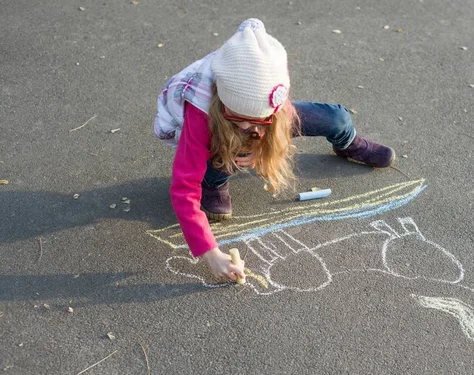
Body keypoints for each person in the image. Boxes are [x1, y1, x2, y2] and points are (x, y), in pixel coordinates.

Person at [154, 18, 395, 282]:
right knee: (227, 147)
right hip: (213, 126)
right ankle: (214, 181)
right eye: (238, 117)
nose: (246, 125)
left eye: (256, 121)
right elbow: (184, 188)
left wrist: (263, 148)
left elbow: (271, 126)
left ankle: (348, 143)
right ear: (224, 101)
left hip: (250, 114)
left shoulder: (270, 87)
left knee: (337, 119)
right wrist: (211, 253)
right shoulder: (200, 114)